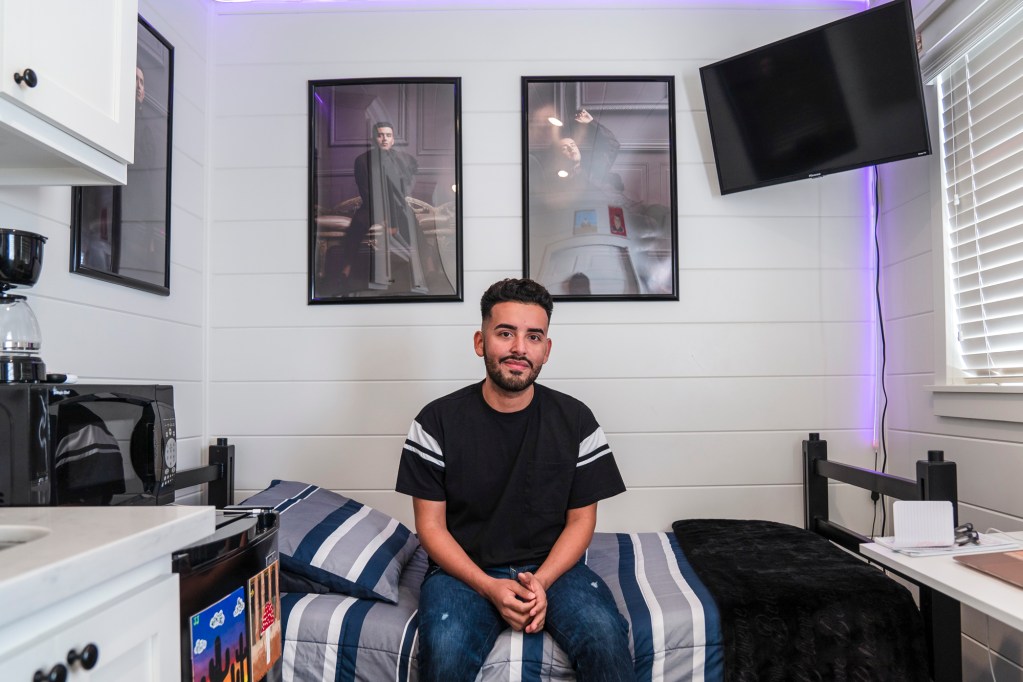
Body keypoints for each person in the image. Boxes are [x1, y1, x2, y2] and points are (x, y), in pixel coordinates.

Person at [395, 278, 633, 681]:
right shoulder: (435, 422)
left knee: (605, 637)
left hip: (555, 569)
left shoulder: (577, 420)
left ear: (546, 350)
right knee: (445, 650)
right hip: (462, 572)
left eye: (533, 337)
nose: (519, 348)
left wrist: (541, 583)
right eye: (505, 333)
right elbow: (430, 527)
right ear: (480, 342)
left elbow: (581, 521)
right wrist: (489, 586)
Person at [340, 121, 423, 293]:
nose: (384, 139)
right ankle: (346, 270)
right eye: (380, 135)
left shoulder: (402, 160)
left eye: (388, 135)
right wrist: (383, 216)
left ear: (393, 139)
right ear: (374, 138)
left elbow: (403, 189)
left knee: (414, 226)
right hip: (371, 206)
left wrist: (393, 217)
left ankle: (427, 269)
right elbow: (365, 190)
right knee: (356, 228)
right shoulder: (362, 161)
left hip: (397, 206)